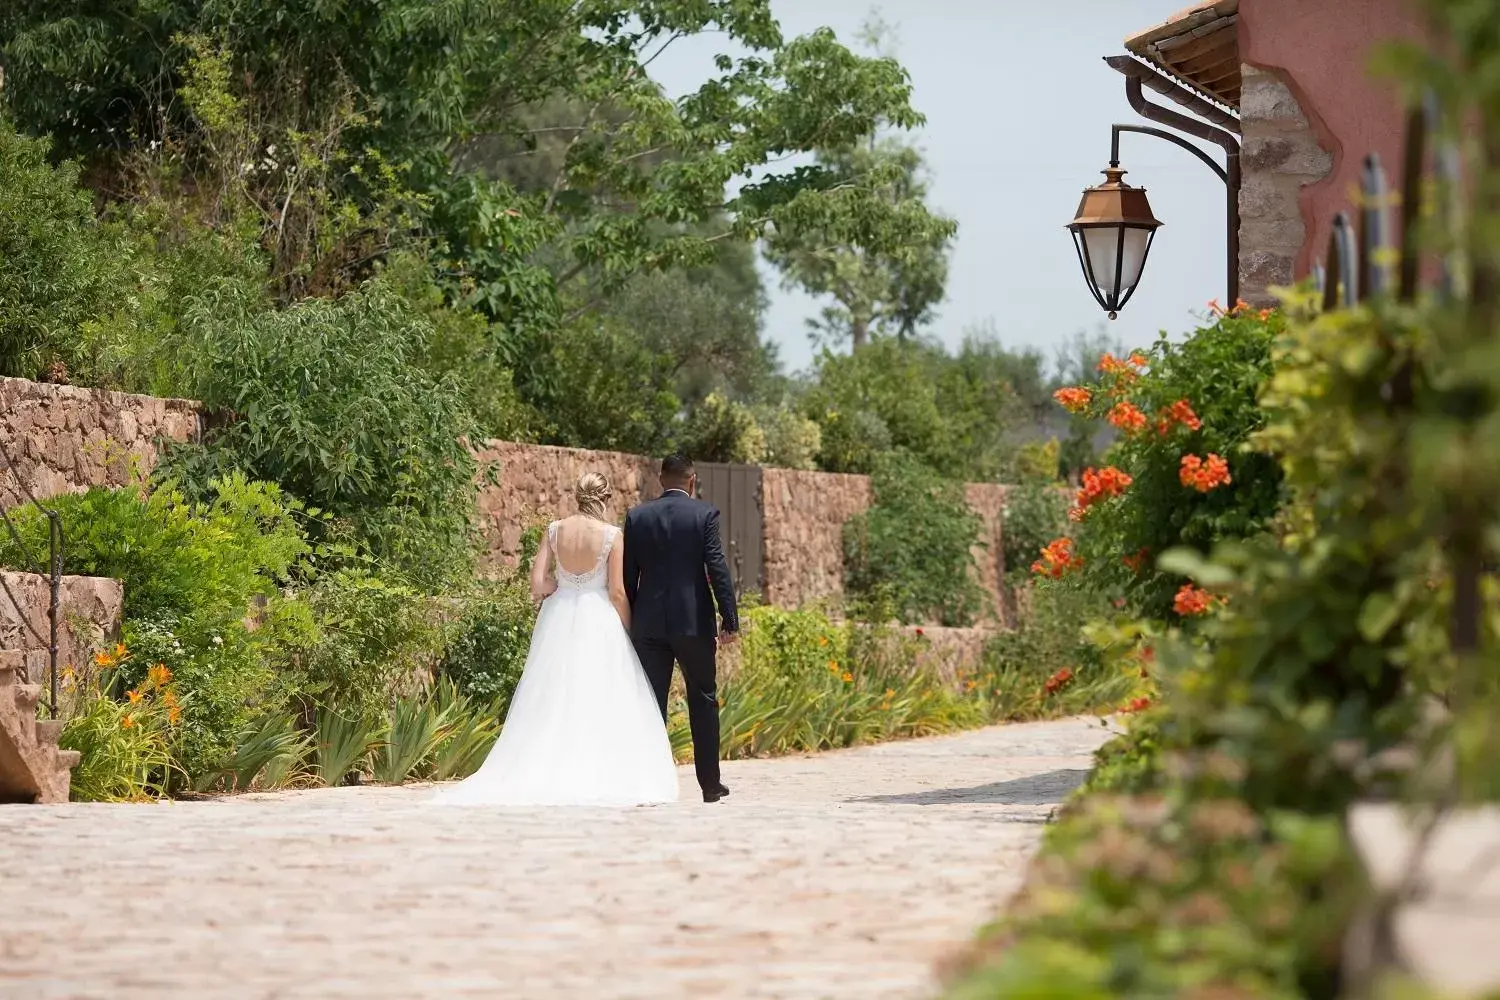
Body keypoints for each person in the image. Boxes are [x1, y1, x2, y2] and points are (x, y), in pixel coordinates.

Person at [432, 472, 679, 807]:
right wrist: (629, 629)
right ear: (604, 498)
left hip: (559, 616)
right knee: (600, 696)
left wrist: (563, 589)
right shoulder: (611, 535)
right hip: (599, 619)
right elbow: (618, 592)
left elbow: (537, 585)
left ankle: (547, 767)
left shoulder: (554, 530)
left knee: (552, 694)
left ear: (577, 496)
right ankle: (595, 770)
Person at [623, 454, 739, 803]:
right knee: (703, 698)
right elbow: (716, 567)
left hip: (649, 624)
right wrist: (729, 618)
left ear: (660, 479)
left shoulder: (637, 516)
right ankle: (709, 785)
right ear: (692, 480)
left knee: (650, 702)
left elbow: (628, 576)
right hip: (693, 623)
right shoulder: (705, 515)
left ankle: (651, 782)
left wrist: (630, 621)